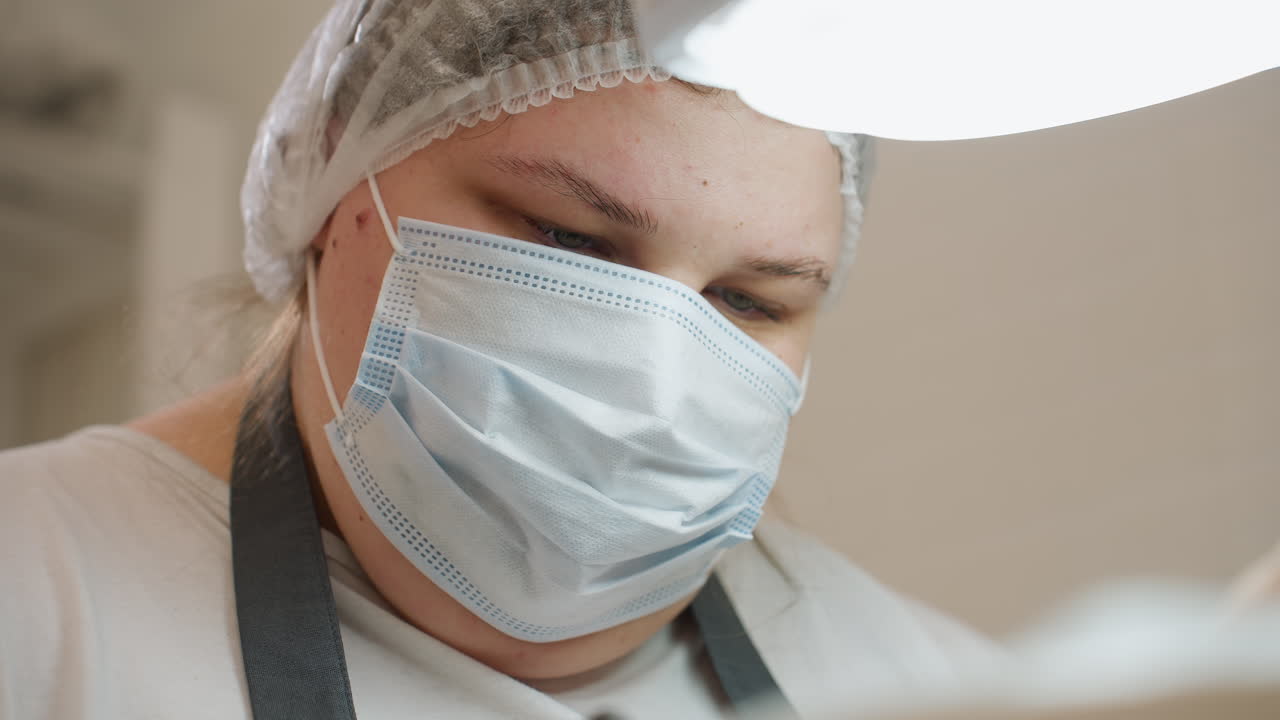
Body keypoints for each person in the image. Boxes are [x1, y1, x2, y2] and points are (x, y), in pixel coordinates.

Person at [0, 1, 998, 718]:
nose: (652, 389)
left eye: (749, 300)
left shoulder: (924, 685)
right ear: (338, 172)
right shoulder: (39, 597)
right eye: (570, 242)